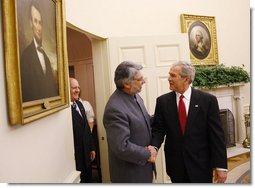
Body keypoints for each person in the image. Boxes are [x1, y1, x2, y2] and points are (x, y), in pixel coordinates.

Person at [151, 61, 228, 183]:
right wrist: (154, 146)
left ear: (186, 79)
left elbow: (217, 136)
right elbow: (159, 129)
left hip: (201, 165)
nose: (169, 78)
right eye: (169, 75)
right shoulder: (162, 102)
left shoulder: (207, 101)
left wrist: (221, 166)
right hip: (176, 166)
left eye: (173, 75)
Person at [103, 61, 157, 183]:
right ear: (127, 84)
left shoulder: (136, 96)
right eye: (140, 79)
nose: (144, 82)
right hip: (130, 176)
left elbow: (144, 122)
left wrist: (162, 115)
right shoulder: (115, 109)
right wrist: (148, 154)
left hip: (143, 171)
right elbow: (121, 147)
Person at [20, 0, 58, 102]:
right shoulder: (25, 56)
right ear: (30, 23)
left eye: (40, 22)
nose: (39, 28)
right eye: (36, 21)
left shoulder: (45, 57)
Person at [69, 77, 96, 183]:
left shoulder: (80, 104)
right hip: (77, 156)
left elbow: (87, 129)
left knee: (89, 179)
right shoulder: (65, 109)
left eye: (78, 87)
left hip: (87, 153)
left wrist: (92, 147)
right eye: (74, 88)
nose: (77, 90)